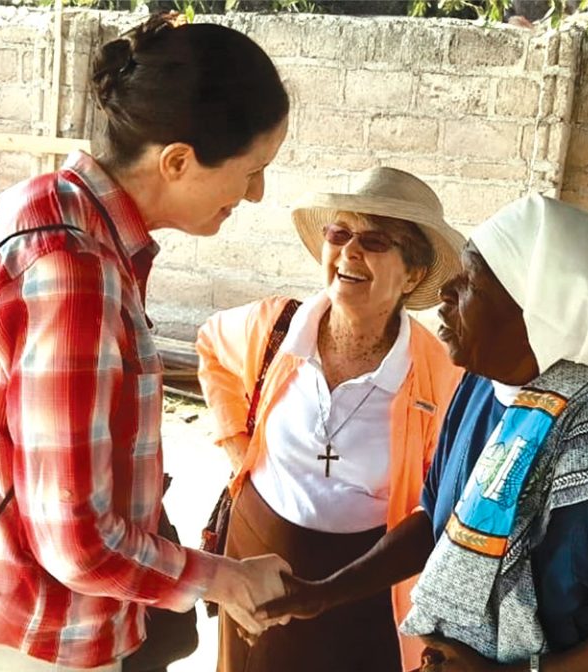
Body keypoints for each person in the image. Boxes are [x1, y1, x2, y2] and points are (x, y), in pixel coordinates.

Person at [259, 194, 588, 672]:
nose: (445, 293)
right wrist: (326, 592)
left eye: (471, 283)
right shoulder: (485, 385)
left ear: (539, 310)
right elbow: (440, 517)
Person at [0, 13, 291, 672]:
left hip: (16, 608)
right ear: (177, 161)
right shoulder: (71, 272)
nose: (255, 193)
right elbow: (75, 542)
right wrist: (225, 578)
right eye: (252, 170)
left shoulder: (42, 205)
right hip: (41, 639)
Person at [195, 167, 466, 672]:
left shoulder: (438, 373)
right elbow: (211, 346)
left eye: (375, 241)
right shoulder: (274, 327)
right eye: (339, 234)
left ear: (411, 274)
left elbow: (442, 499)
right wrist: (237, 443)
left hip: (364, 580)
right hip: (259, 555)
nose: (349, 252)